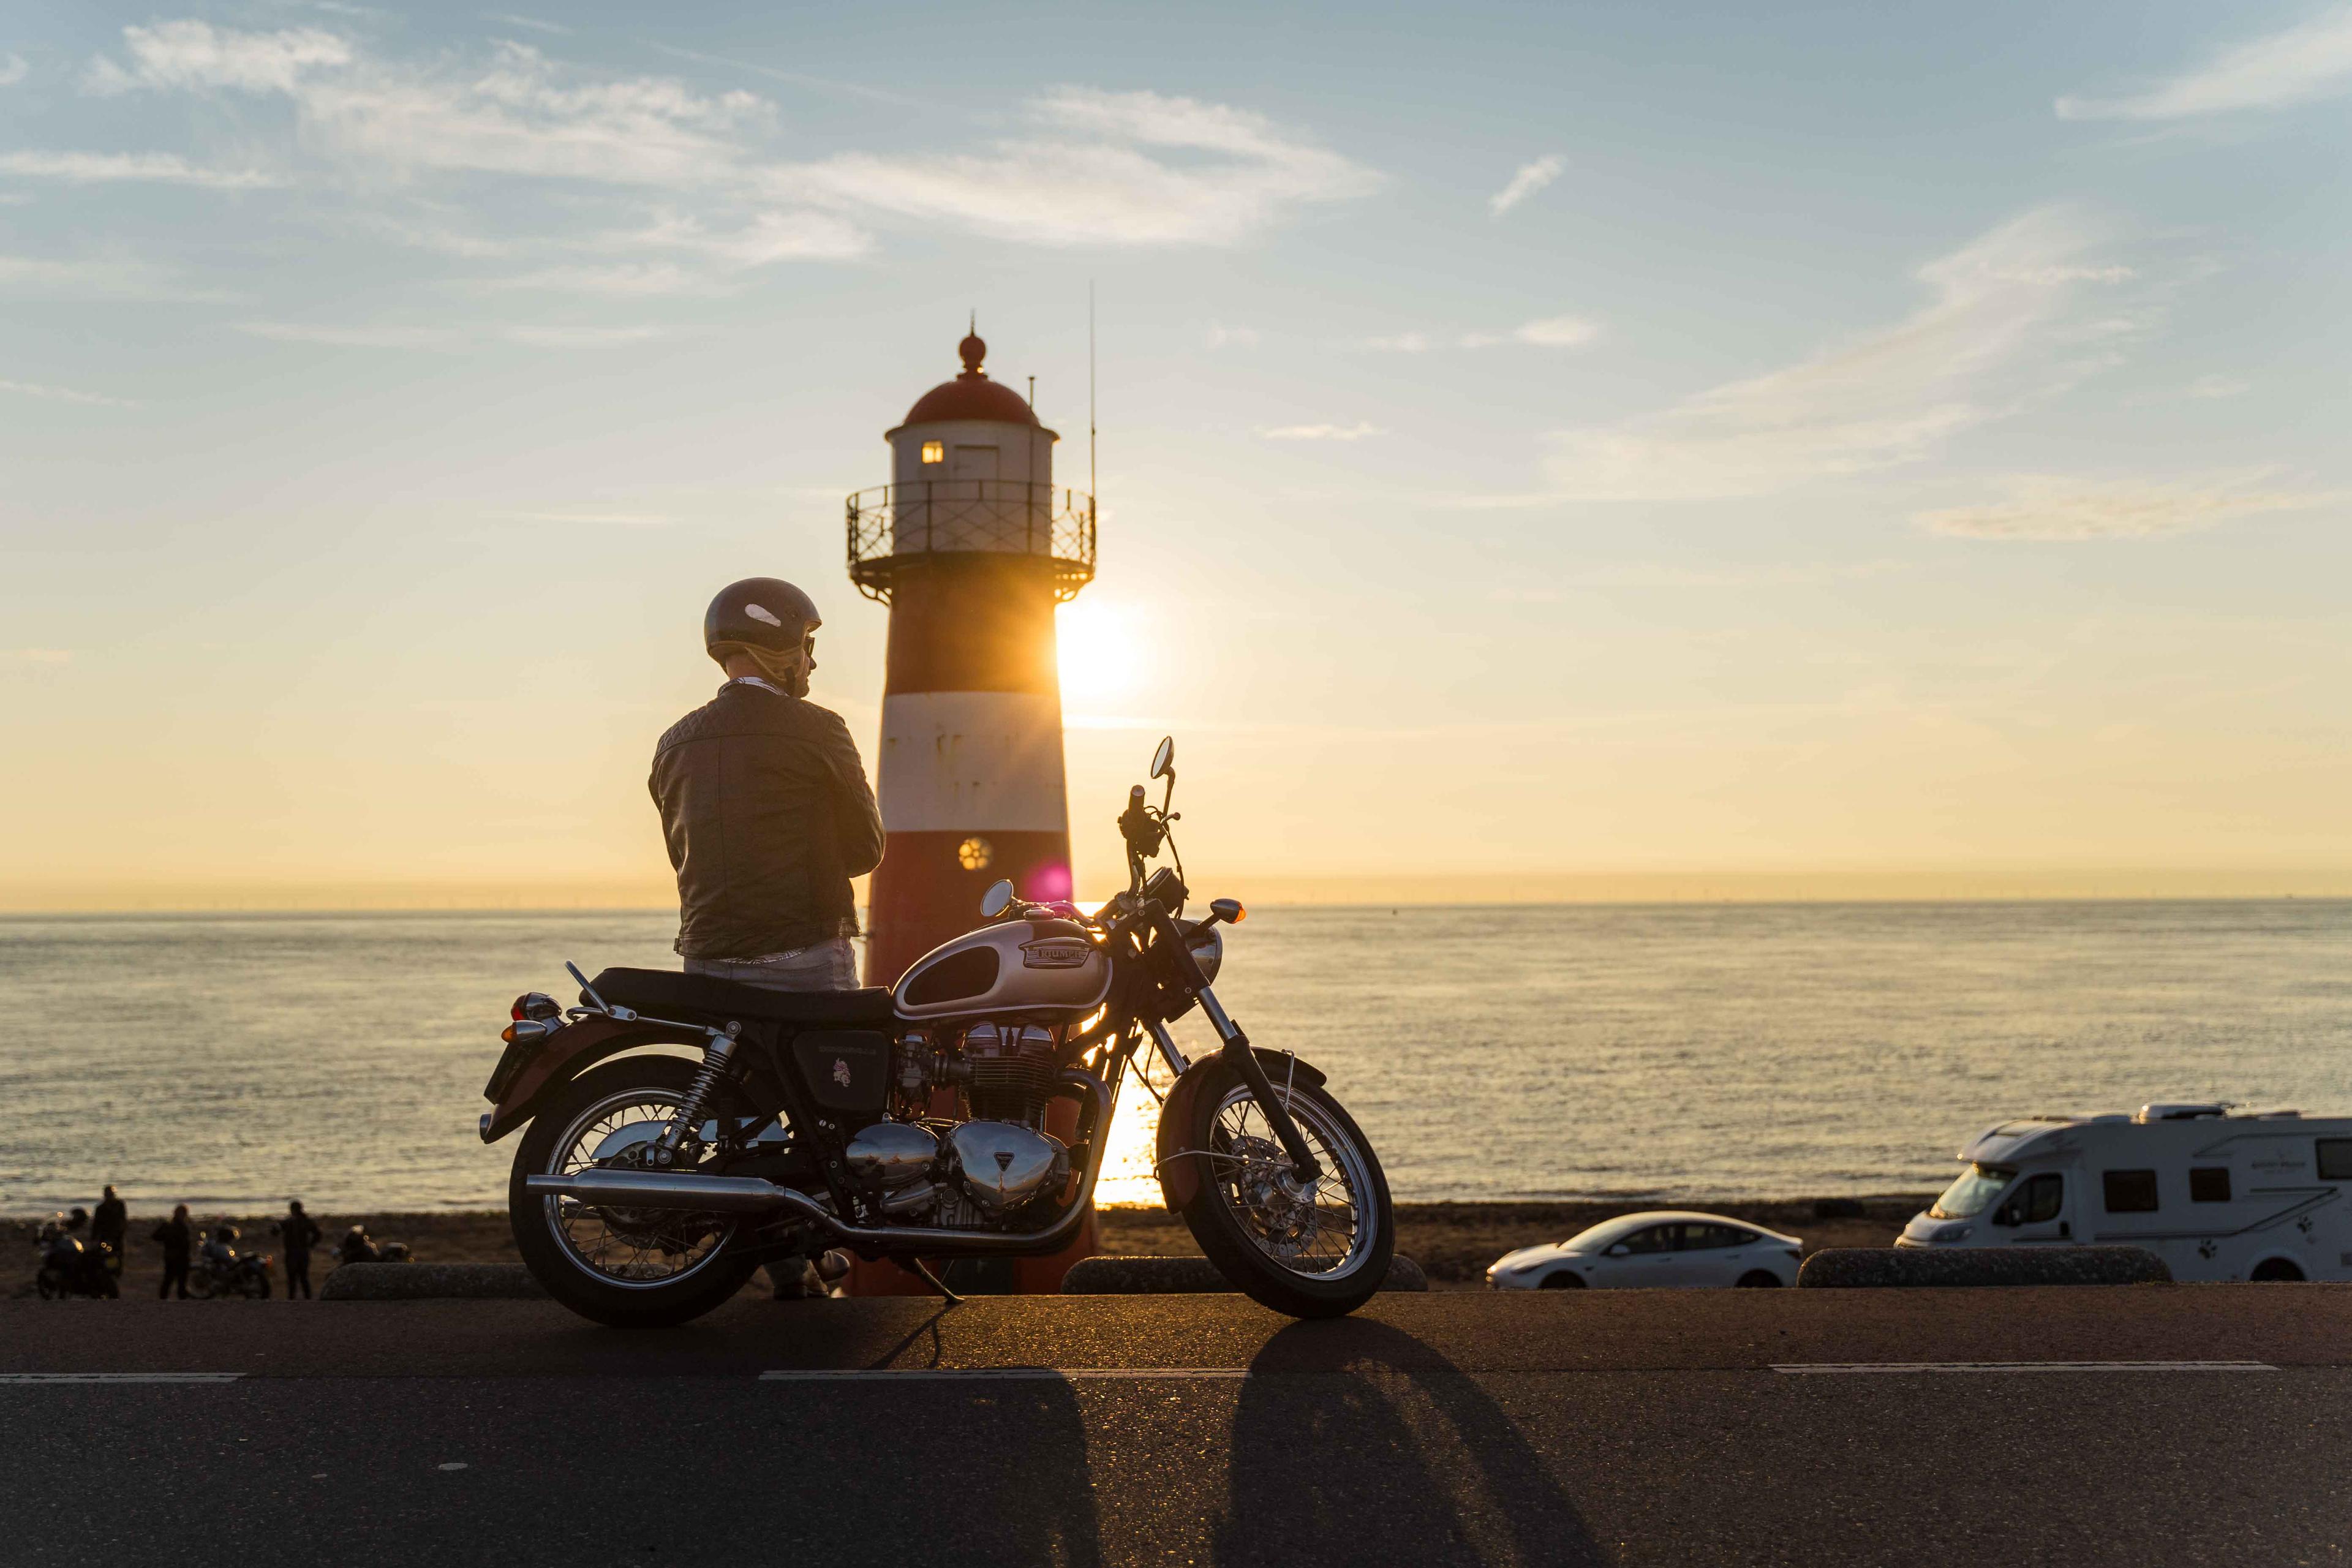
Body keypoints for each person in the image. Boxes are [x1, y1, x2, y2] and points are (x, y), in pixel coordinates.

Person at [650, 578, 884, 995]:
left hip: (704, 959)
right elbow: (866, 847)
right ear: (782, 649)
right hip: (803, 955)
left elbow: (684, 855)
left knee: (728, 1063)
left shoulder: (673, 742)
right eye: (806, 646)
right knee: (844, 1058)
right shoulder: (821, 729)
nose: (811, 663)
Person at [276, 1200, 323, 1298]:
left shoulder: (290, 1221)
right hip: (302, 1252)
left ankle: (293, 1299)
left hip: (294, 1253)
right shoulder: (305, 1221)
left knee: (294, 1279)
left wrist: (310, 1245)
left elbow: (276, 1231)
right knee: (303, 1278)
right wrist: (311, 1245)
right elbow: (318, 1234)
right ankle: (307, 1298)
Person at [153, 1204, 192, 1299]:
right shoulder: (176, 1226)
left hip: (173, 1256)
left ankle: (165, 1300)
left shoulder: (169, 1225)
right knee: (175, 1282)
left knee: (171, 1281)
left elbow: (156, 1236)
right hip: (177, 1257)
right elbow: (156, 1236)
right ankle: (171, 1300)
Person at [91, 1185, 126, 1277]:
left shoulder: (120, 1205)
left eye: (111, 1194)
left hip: (117, 1235)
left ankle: (117, 1272)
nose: (110, 1196)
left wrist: (121, 1232)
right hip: (104, 1235)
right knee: (103, 1253)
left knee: (118, 1254)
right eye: (108, 1195)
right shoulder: (100, 1208)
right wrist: (94, 1237)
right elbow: (96, 1224)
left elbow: (123, 1220)